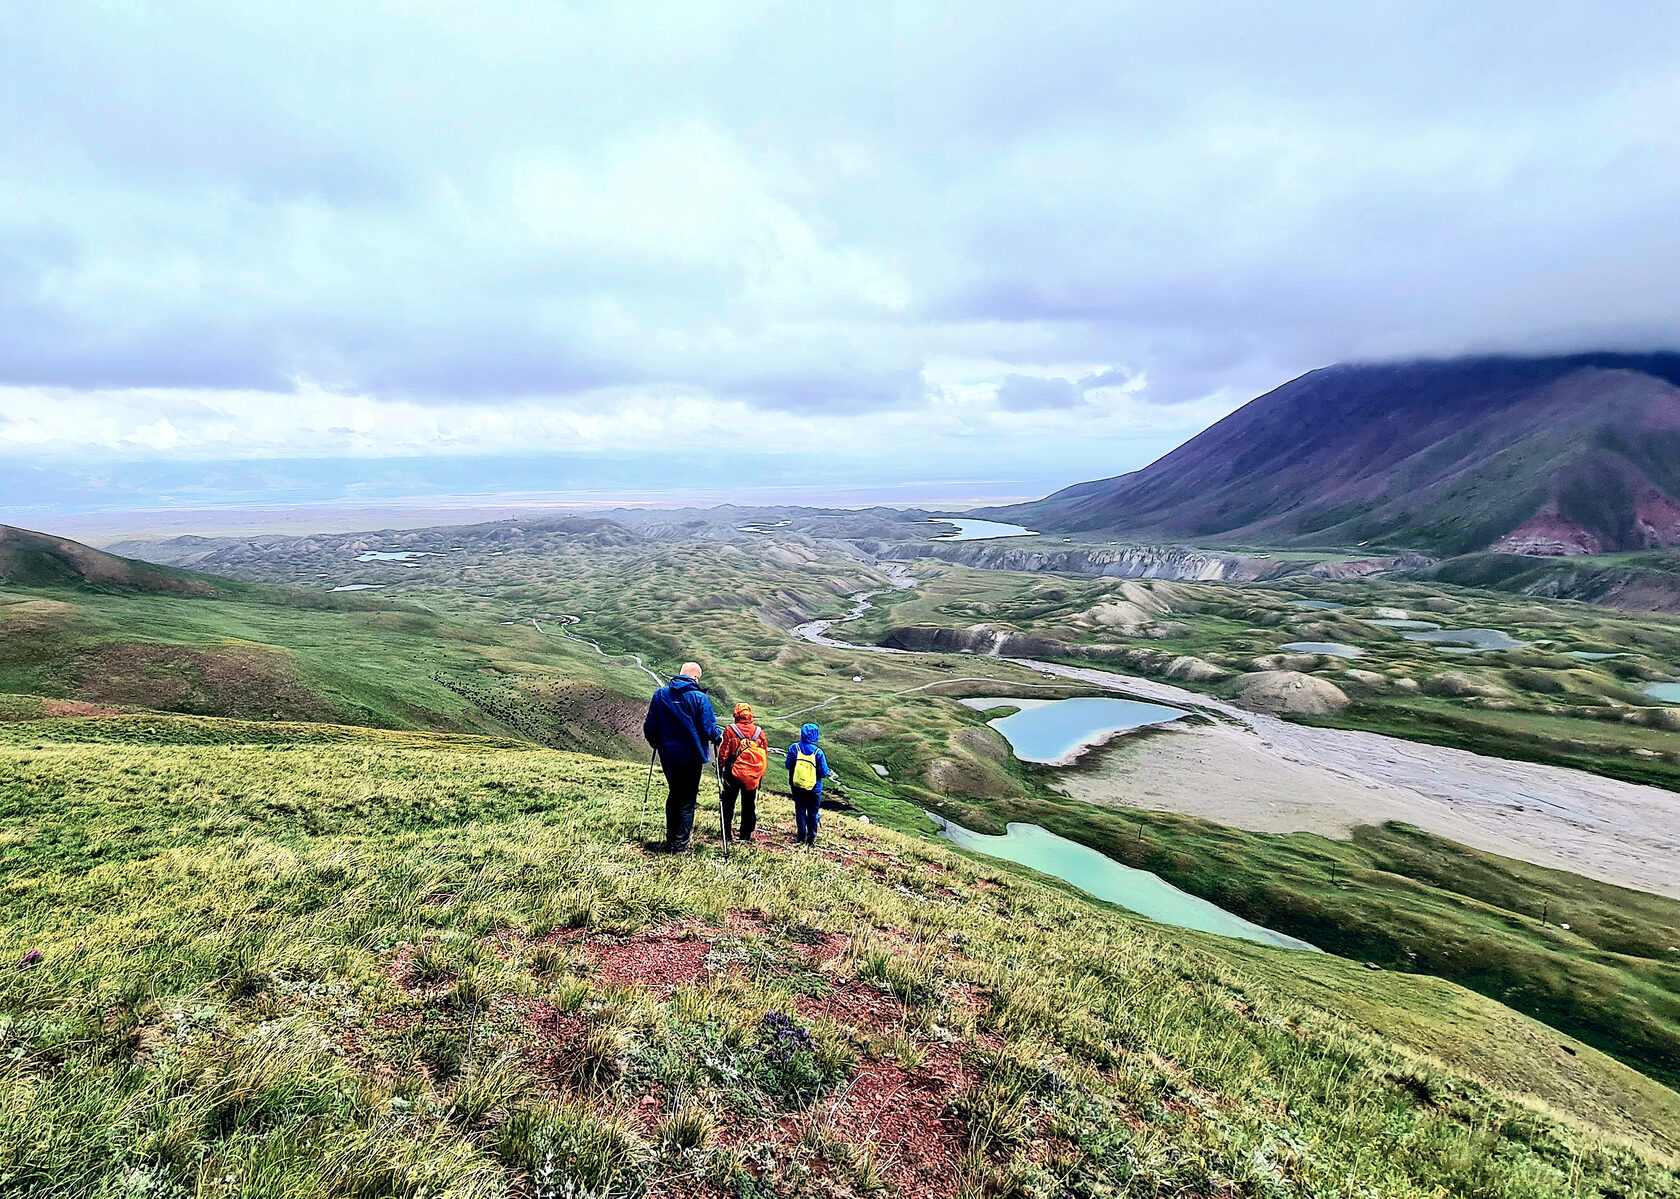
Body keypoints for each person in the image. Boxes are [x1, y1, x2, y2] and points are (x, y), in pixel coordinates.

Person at [642, 661, 720, 853]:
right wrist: (718, 736)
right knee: (686, 799)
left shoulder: (660, 695)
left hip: (668, 755)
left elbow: (650, 726)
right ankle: (679, 846)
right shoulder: (699, 698)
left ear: (680, 673)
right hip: (691, 757)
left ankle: (671, 841)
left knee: (674, 794)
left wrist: (655, 742)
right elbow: (708, 729)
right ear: (695, 678)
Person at [717, 702, 769, 842]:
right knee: (749, 804)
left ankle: (726, 834)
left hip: (732, 773)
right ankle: (746, 835)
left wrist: (721, 767)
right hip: (751, 775)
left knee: (728, 804)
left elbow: (724, 754)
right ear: (750, 715)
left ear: (736, 715)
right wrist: (760, 773)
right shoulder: (759, 732)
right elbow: (764, 754)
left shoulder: (730, 730)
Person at [784, 722, 830, 846]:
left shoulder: (794, 748)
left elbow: (788, 765)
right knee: (813, 812)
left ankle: (800, 837)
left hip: (797, 786)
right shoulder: (818, 753)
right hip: (814, 789)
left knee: (800, 810)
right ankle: (811, 839)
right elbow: (824, 773)